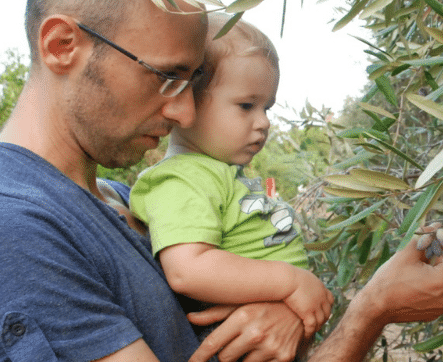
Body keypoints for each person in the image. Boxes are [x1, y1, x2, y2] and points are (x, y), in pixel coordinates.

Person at [0, 0, 443, 361]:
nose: (185, 112)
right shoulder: (11, 227)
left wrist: (278, 312)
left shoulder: (124, 202)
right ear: (62, 46)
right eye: (165, 77)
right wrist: (369, 310)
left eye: (192, 83)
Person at [128, 12, 333, 342]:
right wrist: (292, 282)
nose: (264, 122)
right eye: (246, 105)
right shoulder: (180, 181)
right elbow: (187, 269)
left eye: (267, 107)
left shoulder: (219, 172)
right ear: (186, 99)